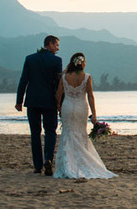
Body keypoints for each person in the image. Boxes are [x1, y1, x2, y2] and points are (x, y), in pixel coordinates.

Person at [53, 52, 116, 179]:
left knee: (68, 132)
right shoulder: (87, 77)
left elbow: (59, 93)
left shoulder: (64, 77)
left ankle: (67, 163)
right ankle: (82, 160)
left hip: (67, 107)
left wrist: (58, 106)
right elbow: (90, 95)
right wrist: (94, 114)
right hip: (81, 107)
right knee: (81, 133)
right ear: (82, 63)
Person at [15, 35, 62, 175]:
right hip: (49, 101)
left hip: (33, 101)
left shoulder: (30, 59)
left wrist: (19, 101)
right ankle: (48, 159)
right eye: (57, 45)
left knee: (35, 133)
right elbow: (58, 84)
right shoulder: (56, 60)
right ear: (50, 44)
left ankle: (37, 166)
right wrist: (60, 102)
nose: (58, 48)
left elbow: (24, 80)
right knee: (50, 131)